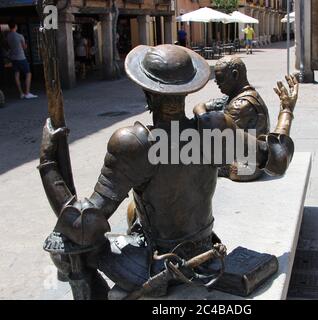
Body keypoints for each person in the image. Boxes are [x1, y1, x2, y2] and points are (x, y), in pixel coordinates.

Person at [38, 44, 297, 299]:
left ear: (147, 91)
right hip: (205, 252)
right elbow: (277, 159)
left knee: (63, 246)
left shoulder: (135, 143)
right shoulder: (216, 128)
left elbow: (84, 225)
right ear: (186, 90)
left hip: (155, 264)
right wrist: (287, 110)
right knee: (131, 214)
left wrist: (48, 162)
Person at [193, 56, 274, 182]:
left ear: (235, 75)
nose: (217, 83)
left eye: (220, 78)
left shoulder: (240, 105)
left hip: (247, 165)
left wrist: (202, 115)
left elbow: (217, 139)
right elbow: (217, 103)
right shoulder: (243, 94)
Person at [6, 21, 37, 99]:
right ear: (15, 26)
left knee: (16, 74)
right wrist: (25, 45)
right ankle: (27, 92)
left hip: (13, 58)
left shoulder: (8, 36)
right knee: (28, 73)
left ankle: (21, 93)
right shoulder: (19, 36)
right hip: (21, 57)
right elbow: (24, 47)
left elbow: (8, 46)